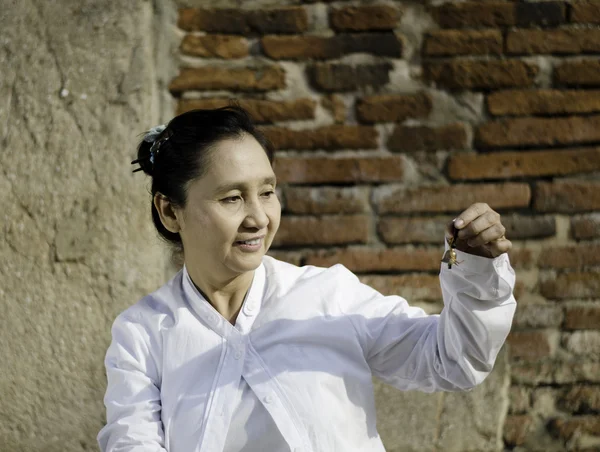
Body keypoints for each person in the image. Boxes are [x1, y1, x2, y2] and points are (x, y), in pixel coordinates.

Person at [97, 106, 516, 452]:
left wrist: (476, 270)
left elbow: (452, 362)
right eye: (231, 198)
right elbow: (132, 443)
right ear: (171, 211)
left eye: (267, 192)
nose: (259, 218)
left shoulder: (328, 297)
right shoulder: (143, 334)